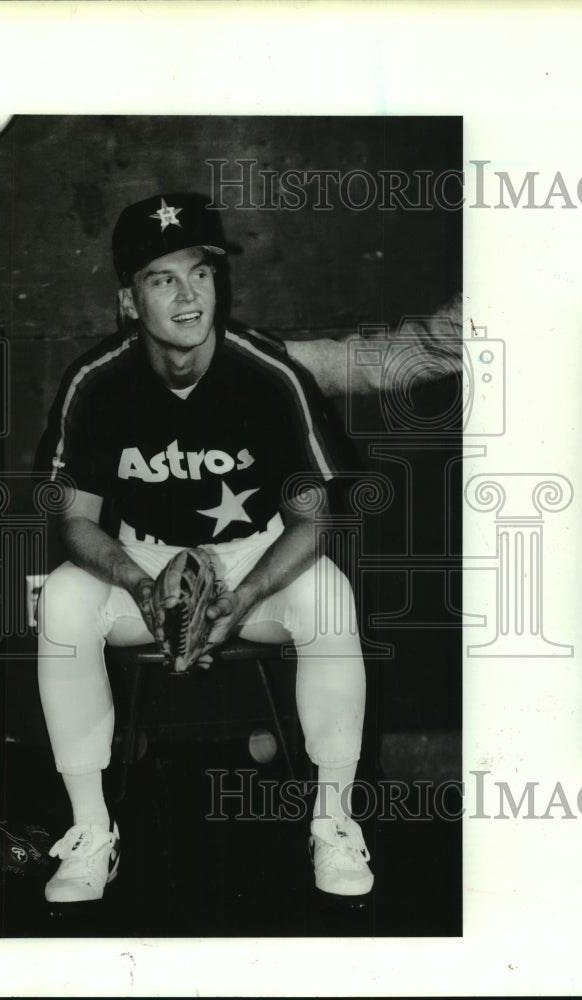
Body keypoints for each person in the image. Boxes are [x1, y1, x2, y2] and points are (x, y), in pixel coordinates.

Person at [35, 192, 373, 904]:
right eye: (163, 278)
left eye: (203, 272)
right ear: (129, 300)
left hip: (256, 559)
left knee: (331, 599)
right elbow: (75, 522)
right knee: (64, 597)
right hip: (144, 560)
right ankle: (91, 832)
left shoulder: (268, 373)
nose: (190, 295)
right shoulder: (95, 384)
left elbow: (313, 522)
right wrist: (136, 582)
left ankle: (334, 821)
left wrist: (245, 593)